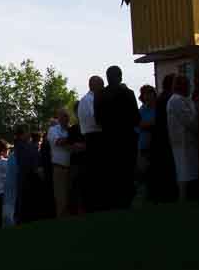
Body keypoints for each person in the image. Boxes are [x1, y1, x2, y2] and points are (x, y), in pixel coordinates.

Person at [96, 67, 138, 209]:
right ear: (120, 76)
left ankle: (112, 202)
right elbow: (136, 118)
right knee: (127, 174)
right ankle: (126, 202)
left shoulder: (100, 95)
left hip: (108, 140)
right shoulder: (128, 93)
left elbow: (98, 120)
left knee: (111, 174)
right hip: (126, 140)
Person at [167, 74, 199, 200]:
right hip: (182, 141)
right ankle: (183, 197)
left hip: (185, 141)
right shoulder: (176, 100)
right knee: (184, 171)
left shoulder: (183, 100)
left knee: (186, 170)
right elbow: (189, 121)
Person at [77, 75, 106, 210]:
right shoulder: (88, 100)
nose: (103, 88)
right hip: (93, 137)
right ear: (94, 85)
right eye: (101, 85)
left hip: (93, 137)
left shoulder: (90, 99)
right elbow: (95, 119)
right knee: (94, 173)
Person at [47, 109, 77, 218]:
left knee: (72, 198)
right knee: (61, 200)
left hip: (72, 168)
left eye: (67, 116)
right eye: (64, 116)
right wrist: (72, 140)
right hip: (59, 168)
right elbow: (58, 142)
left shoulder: (70, 130)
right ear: (58, 117)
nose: (66, 118)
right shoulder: (53, 130)